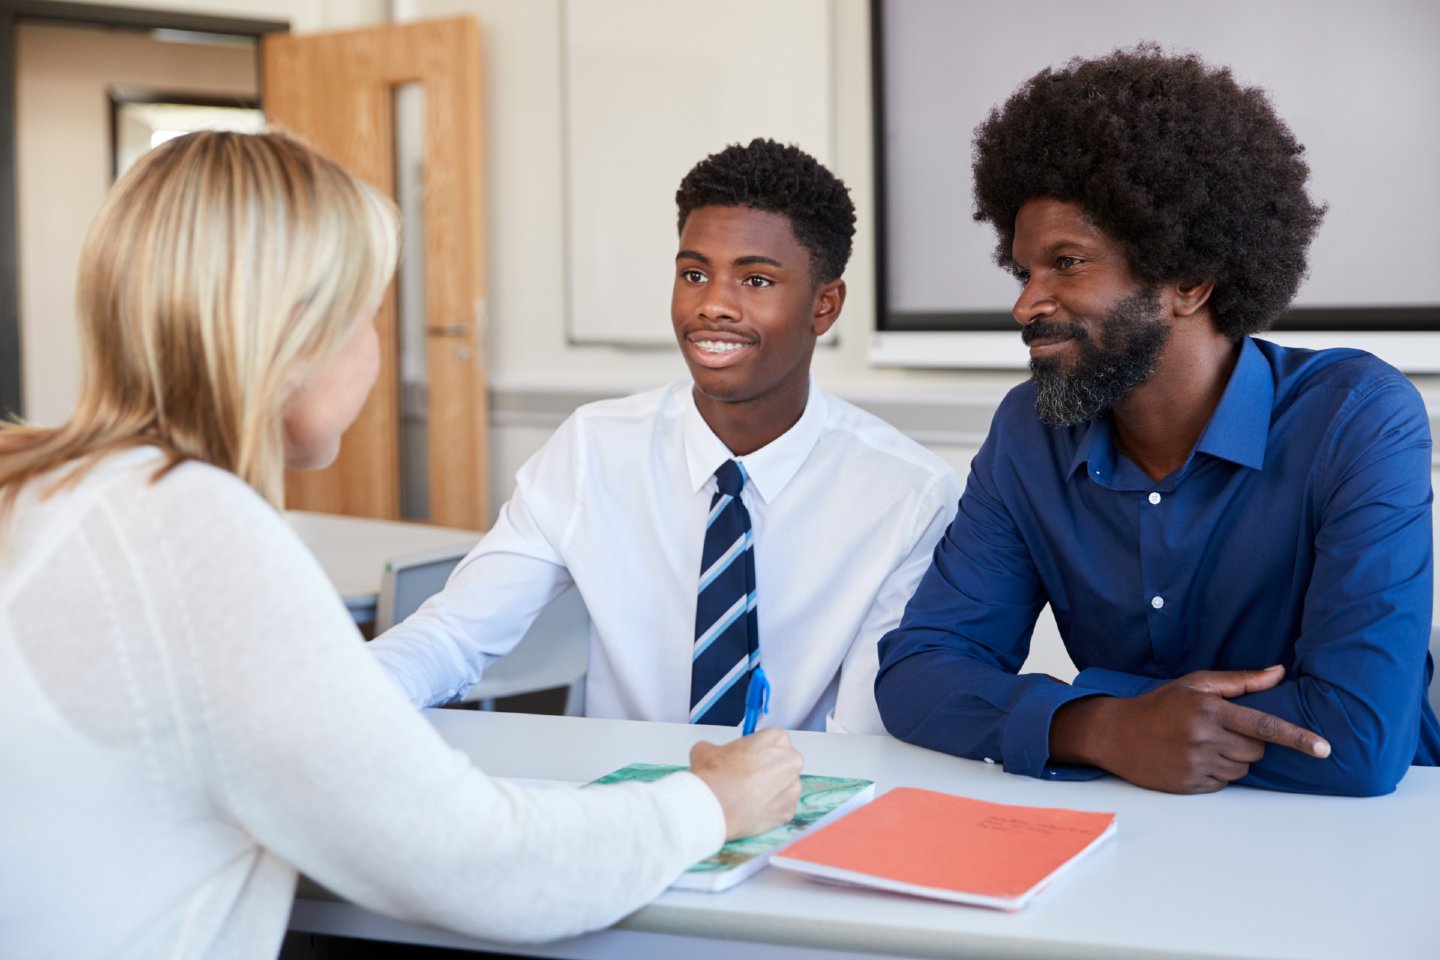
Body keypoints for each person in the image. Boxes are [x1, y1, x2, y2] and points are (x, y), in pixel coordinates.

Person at [0, 130, 804, 960]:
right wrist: (708, 803)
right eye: (370, 313)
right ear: (296, 332)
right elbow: (481, 865)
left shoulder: (39, 487)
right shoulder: (193, 532)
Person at [875, 44, 1439, 797]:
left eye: (1068, 263)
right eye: (1023, 272)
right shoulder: (1029, 434)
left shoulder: (1356, 417)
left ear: (1189, 279)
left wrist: (1088, 715)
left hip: (1357, 843)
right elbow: (919, 672)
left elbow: (1358, 739)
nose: (1025, 304)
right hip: (1129, 832)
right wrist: (1103, 728)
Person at [369, 138, 958, 733]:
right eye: (694, 274)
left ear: (825, 305)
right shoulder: (594, 450)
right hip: (626, 806)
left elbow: (863, 734)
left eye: (755, 281)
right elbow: (455, 633)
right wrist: (341, 701)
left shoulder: (906, 495)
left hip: (802, 806)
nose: (714, 306)